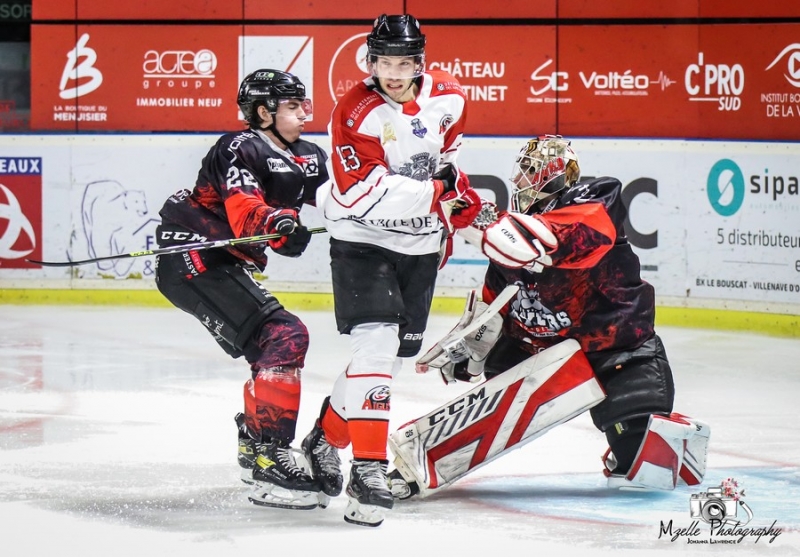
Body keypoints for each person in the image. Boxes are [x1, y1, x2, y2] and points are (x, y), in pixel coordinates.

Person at [389, 135, 710, 497]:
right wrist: (468, 347)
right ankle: (428, 458)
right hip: (539, 351)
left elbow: (545, 242)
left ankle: (654, 433)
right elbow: (496, 303)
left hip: (613, 351)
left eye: (529, 170)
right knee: (498, 372)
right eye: (520, 170)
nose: (519, 179)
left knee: (646, 465)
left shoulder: (596, 199)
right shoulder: (510, 234)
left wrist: (473, 215)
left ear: (557, 175)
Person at [299, 13, 481, 526]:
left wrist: (456, 204)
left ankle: (324, 439)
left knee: (388, 361)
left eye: (404, 63)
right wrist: (441, 194)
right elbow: (366, 194)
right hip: (363, 239)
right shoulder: (355, 111)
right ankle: (369, 468)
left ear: (419, 63)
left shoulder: (450, 97)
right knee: (375, 346)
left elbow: (448, 159)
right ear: (370, 62)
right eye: (384, 62)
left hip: (419, 246)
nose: (394, 73)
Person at [154, 69, 330, 510]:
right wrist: (277, 224)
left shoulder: (309, 154)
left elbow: (345, 200)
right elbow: (245, 210)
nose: (304, 113)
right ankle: (271, 455)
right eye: (292, 106)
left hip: (224, 262)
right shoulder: (239, 146)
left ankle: (256, 447)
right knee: (283, 336)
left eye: (303, 104)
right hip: (193, 257)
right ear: (263, 112)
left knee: (269, 346)